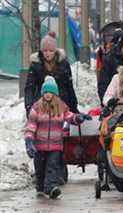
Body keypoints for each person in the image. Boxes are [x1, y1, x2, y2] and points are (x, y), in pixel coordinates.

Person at [24, 31, 79, 184]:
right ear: (41, 51)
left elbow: (69, 87)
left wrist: (74, 108)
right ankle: (41, 173)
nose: (47, 54)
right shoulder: (36, 65)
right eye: (45, 51)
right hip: (40, 107)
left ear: (55, 51)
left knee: (59, 138)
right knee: (40, 139)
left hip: (60, 107)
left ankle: (59, 172)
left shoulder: (63, 64)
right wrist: (29, 107)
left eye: (50, 50)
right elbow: (29, 88)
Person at [24, 76, 91, 199]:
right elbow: (31, 126)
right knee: (40, 169)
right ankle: (40, 186)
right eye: (46, 92)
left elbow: (69, 116)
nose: (48, 95)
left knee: (53, 166)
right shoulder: (36, 108)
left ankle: (51, 188)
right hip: (39, 145)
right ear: (43, 93)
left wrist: (78, 118)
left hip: (55, 145)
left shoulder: (61, 106)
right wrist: (29, 141)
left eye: (51, 92)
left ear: (55, 94)